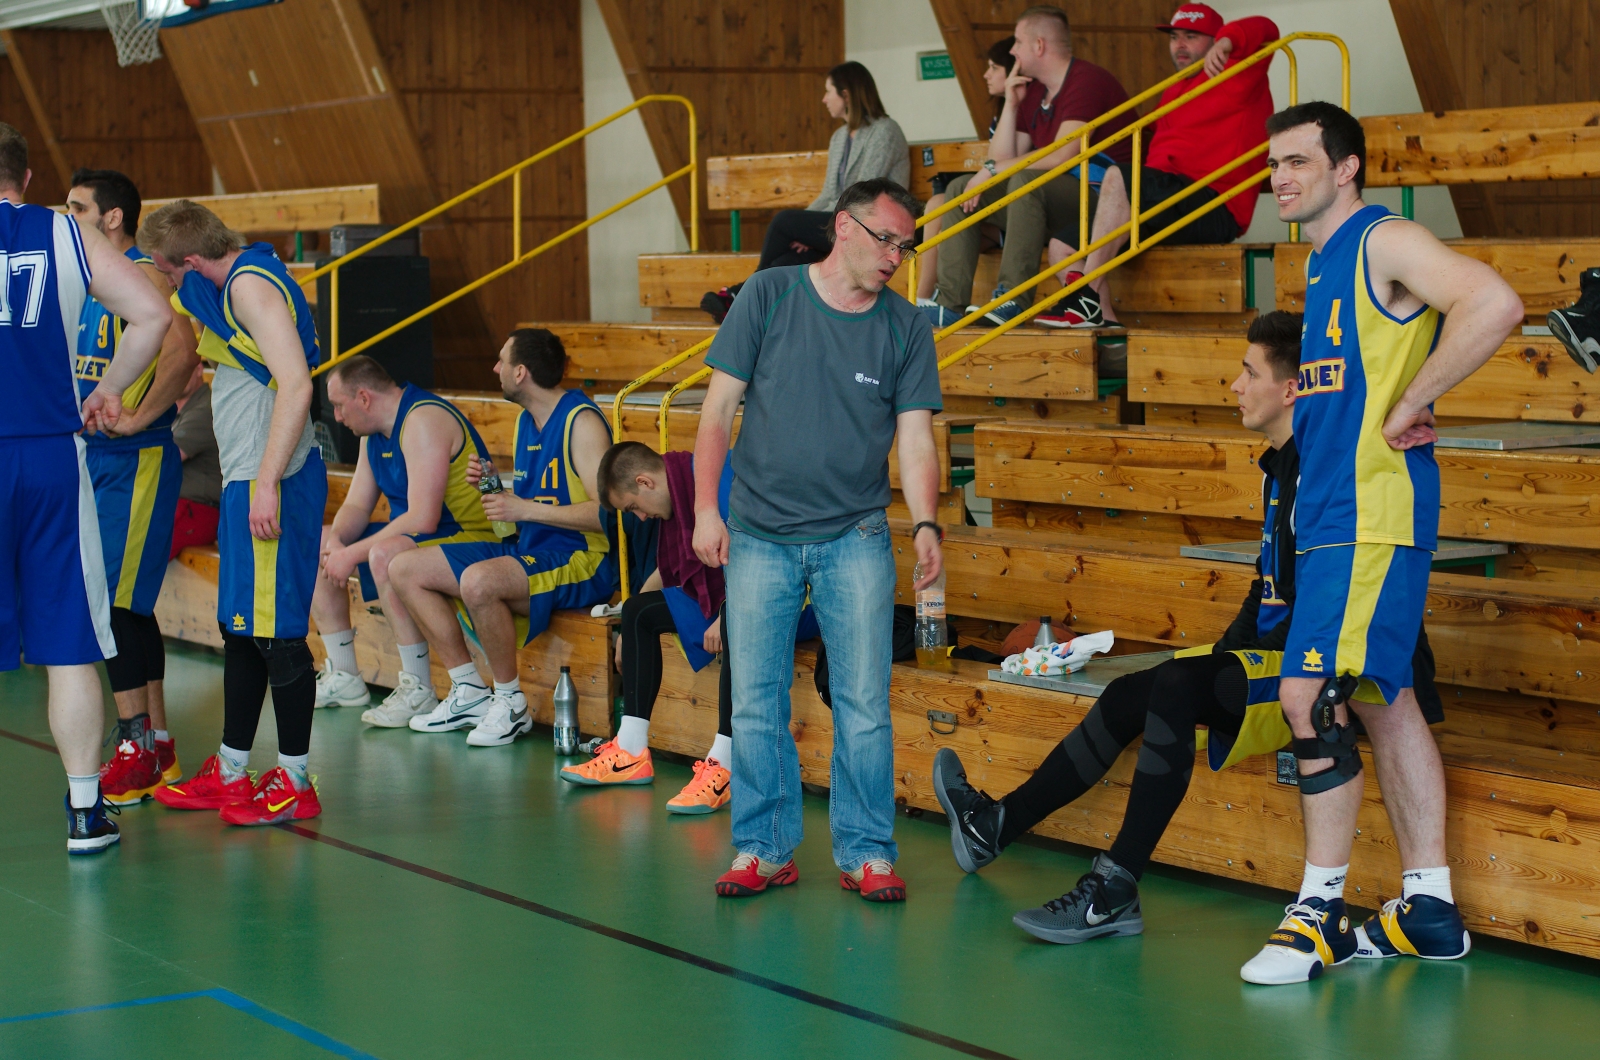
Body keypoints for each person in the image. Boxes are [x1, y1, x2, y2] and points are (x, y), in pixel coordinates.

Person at [933, 311, 1443, 951]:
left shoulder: (1324, 475)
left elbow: (1330, 608)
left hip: (1331, 677)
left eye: (1248, 372)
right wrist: (1224, 661)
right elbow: (1267, 590)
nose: (1235, 385)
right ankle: (994, 826)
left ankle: (1115, 888)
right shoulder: (1283, 468)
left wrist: (1219, 674)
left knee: (1177, 686)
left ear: (1291, 389)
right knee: (1131, 692)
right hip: (1280, 655)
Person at [1233, 102, 1523, 985]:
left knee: (1308, 696)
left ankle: (1317, 914)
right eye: (1273, 166)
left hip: (1370, 512)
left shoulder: (1381, 241)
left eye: (1297, 161)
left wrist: (1416, 398)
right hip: (1334, 517)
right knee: (1381, 700)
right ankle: (1428, 909)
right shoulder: (1321, 263)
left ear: (1346, 166)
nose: (1280, 178)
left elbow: (1495, 302)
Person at [692, 178, 944, 902]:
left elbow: (916, 440)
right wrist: (706, 510)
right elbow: (717, 414)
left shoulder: (907, 327)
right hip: (758, 534)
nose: (896, 256)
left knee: (863, 703)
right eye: (887, 239)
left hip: (856, 534)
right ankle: (763, 848)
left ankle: (867, 852)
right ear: (844, 227)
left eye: (906, 246)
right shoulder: (768, 295)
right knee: (755, 702)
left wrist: (927, 522)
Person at [0, 123, 173, 854]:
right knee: (68, 643)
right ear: (26, 178)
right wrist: (107, 390)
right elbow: (155, 315)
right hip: (48, 452)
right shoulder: (64, 232)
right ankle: (83, 812)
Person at [143, 200, 330, 828]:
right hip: (244, 477)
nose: (171, 282)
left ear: (192, 261)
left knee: (278, 635)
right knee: (243, 629)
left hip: (272, 480)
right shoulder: (217, 283)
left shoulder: (250, 287)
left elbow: (297, 384)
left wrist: (268, 483)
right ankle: (230, 770)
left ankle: (296, 781)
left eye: (171, 270)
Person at [388, 328, 617, 747]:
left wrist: (523, 508)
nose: (495, 368)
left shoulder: (581, 422)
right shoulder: (525, 422)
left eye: (501, 360)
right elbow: (510, 524)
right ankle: (469, 690)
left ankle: (510, 702)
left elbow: (610, 514)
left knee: (479, 581)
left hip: (584, 559)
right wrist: (492, 488)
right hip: (530, 549)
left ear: (521, 372)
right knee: (404, 567)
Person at [574, 441, 822, 812]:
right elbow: (671, 572)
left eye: (633, 507)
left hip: (795, 597)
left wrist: (726, 613)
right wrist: (626, 625)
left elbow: (769, 559)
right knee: (639, 611)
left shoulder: (722, 484)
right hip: (735, 593)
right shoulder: (680, 486)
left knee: (737, 624)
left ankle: (724, 765)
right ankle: (630, 750)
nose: (640, 517)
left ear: (645, 482)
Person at [65, 169, 202, 805]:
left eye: (78, 207)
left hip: (135, 458)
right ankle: (156, 745)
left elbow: (182, 350)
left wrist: (143, 417)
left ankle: (136, 749)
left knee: (116, 607)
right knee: (129, 608)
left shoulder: (141, 274)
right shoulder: (95, 276)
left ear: (112, 217)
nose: (69, 216)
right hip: (99, 458)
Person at [1041, 4, 1278, 328]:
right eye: (1174, 37)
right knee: (1062, 246)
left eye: (1191, 36)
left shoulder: (1239, 71)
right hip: (1165, 202)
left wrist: (1228, 41)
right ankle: (1106, 327)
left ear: (1214, 41)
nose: (1179, 45)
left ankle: (1086, 293)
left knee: (1119, 177)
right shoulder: (1174, 88)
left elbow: (1267, 27)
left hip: (1213, 204)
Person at [309, 355, 502, 727]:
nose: (337, 416)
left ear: (363, 398)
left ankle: (419, 689)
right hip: (424, 535)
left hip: (472, 534)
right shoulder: (372, 435)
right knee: (318, 543)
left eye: (338, 405)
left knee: (384, 554)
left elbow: (422, 518)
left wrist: (351, 554)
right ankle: (345, 675)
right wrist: (337, 543)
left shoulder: (421, 420)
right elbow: (357, 505)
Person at [924, 5, 1133, 329]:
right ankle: (950, 302)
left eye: (1018, 42)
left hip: (1105, 201)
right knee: (958, 189)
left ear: (1039, 45)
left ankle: (1013, 298)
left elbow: (1063, 155)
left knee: (1024, 180)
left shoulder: (1086, 79)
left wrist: (991, 171)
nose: (1013, 51)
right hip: (1052, 200)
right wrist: (1011, 104)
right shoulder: (1033, 90)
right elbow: (1002, 157)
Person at [701, 61, 910, 323]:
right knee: (792, 258)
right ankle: (741, 300)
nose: (824, 99)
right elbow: (829, 192)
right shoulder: (839, 137)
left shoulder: (885, 131)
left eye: (828, 91)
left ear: (846, 95)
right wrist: (804, 230)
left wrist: (803, 228)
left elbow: (863, 196)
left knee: (784, 221)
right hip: (844, 221)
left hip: (873, 227)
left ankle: (742, 296)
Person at [915, 37, 1015, 305]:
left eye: (994, 68)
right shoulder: (1001, 114)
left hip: (1017, 207)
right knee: (937, 205)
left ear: (1014, 71)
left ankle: (924, 298)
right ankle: (925, 298)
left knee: (947, 204)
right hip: (996, 209)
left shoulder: (1021, 111)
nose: (986, 75)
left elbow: (1002, 166)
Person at [169, 361, 222, 559]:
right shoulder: (173, 408)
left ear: (199, 369)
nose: (175, 375)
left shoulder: (207, 408)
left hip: (198, 509)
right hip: (175, 506)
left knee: (139, 550)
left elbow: (166, 459)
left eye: (182, 367)